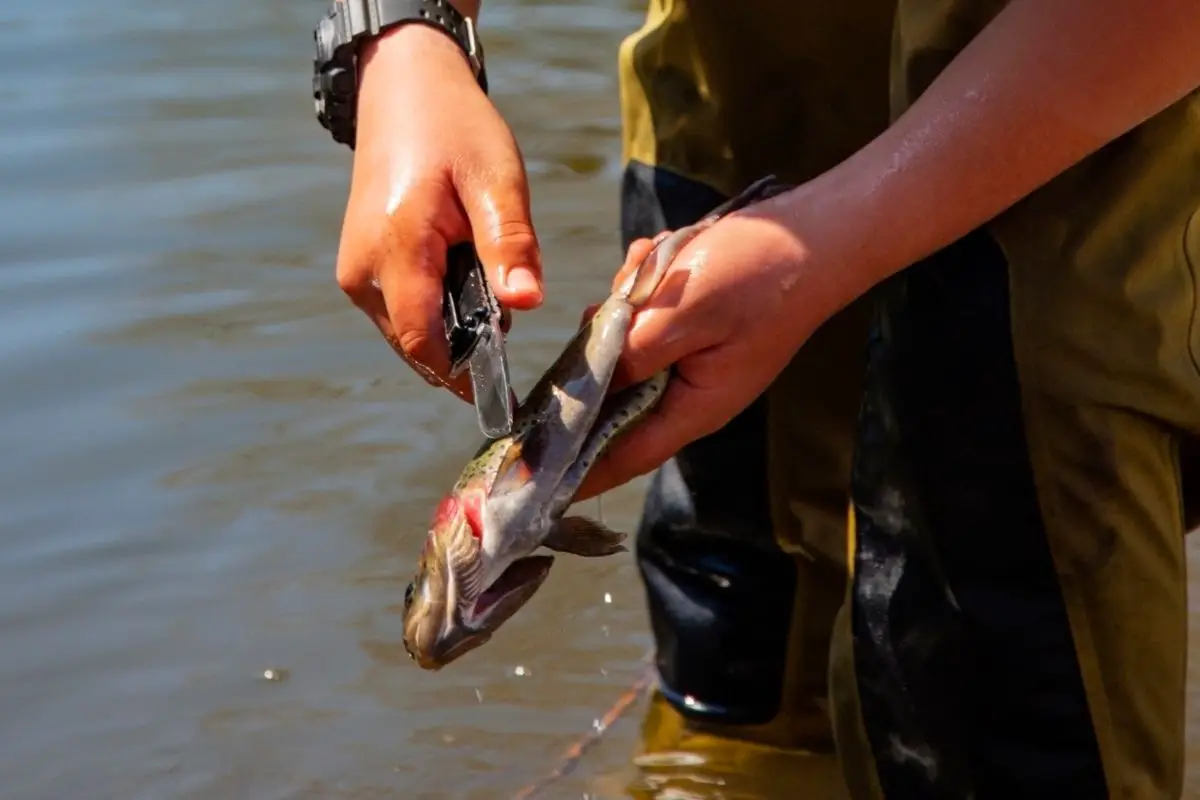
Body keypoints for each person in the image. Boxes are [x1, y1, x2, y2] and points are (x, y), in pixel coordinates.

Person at [328, 0, 1200, 796]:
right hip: (738, 77)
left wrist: (832, 246)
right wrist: (406, 37)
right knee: (741, 630)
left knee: (974, 629)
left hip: (1094, 89)